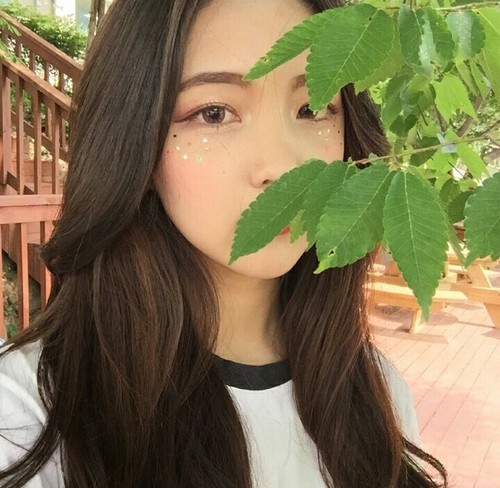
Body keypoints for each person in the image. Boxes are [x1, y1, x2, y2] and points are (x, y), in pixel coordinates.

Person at [0, 0, 448, 486]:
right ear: (134, 138)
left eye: (313, 108)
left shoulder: (377, 394)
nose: (282, 168)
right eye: (214, 113)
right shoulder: (28, 413)